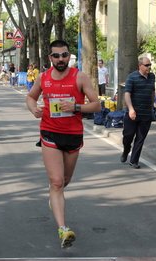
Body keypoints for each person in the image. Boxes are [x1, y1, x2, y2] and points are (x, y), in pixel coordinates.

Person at [26, 40, 101, 249]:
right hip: (49, 132)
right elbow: (31, 97)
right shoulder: (43, 77)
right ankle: (63, 229)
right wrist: (34, 109)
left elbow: (96, 105)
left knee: (65, 179)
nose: (61, 59)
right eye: (56, 55)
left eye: (64, 55)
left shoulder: (80, 77)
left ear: (69, 56)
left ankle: (54, 196)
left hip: (73, 134)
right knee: (57, 181)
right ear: (50, 58)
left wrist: (76, 106)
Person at [120, 57, 155, 169]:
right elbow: (127, 94)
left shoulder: (152, 77)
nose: (149, 67)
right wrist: (130, 109)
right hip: (133, 113)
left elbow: (153, 92)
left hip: (146, 113)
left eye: (150, 65)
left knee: (140, 138)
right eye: (146, 65)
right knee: (128, 136)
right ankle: (126, 150)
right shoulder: (132, 77)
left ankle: (134, 160)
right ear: (140, 65)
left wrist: (152, 106)